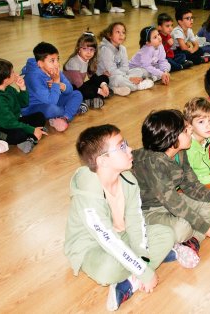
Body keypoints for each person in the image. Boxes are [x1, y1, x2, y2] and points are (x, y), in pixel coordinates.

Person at [64, 124, 174, 311]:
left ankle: (129, 281)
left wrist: (142, 260)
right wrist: (145, 273)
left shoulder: (128, 180)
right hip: (91, 246)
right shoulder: (88, 193)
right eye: (122, 146)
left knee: (166, 234)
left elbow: (136, 222)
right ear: (103, 161)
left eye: (126, 144)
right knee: (106, 270)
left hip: (120, 236)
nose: (130, 149)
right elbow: (107, 239)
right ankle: (137, 270)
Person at [132, 109, 210, 265]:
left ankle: (193, 241)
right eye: (185, 130)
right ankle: (191, 234)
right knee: (183, 229)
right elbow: (175, 205)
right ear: (171, 140)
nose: (190, 129)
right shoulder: (153, 163)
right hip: (150, 210)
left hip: (173, 200)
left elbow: (191, 184)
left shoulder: (180, 151)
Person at [0, 59, 47, 154]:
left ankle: (30, 136)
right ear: (6, 80)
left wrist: (22, 88)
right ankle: (31, 137)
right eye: (12, 72)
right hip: (1, 127)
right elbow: (9, 123)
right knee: (18, 134)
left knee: (39, 116)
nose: (15, 74)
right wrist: (32, 129)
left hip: (13, 120)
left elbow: (23, 103)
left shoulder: (7, 88)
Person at [21, 42, 86, 133]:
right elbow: (50, 101)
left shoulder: (55, 70)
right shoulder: (33, 77)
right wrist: (56, 82)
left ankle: (65, 118)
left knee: (77, 94)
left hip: (53, 100)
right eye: (52, 61)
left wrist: (61, 86)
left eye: (57, 59)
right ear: (40, 63)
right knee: (52, 110)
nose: (57, 64)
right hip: (34, 108)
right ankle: (70, 110)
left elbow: (70, 89)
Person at [97, 22, 155, 94]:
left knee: (140, 71)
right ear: (109, 35)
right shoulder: (105, 49)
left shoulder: (123, 48)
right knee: (118, 79)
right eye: (118, 32)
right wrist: (129, 78)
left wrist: (126, 76)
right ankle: (137, 86)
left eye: (123, 32)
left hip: (121, 74)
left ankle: (118, 88)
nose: (121, 34)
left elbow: (125, 67)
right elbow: (112, 71)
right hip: (106, 78)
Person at [63, 32, 110, 109]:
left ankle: (95, 97)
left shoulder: (88, 60)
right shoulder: (73, 63)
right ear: (78, 49)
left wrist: (103, 85)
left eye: (92, 49)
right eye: (85, 49)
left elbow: (93, 77)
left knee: (104, 78)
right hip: (71, 90)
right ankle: (90, 99)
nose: (88, 52)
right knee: (89, 91)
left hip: (80, 87)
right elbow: (80, 86)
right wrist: (99, 90)